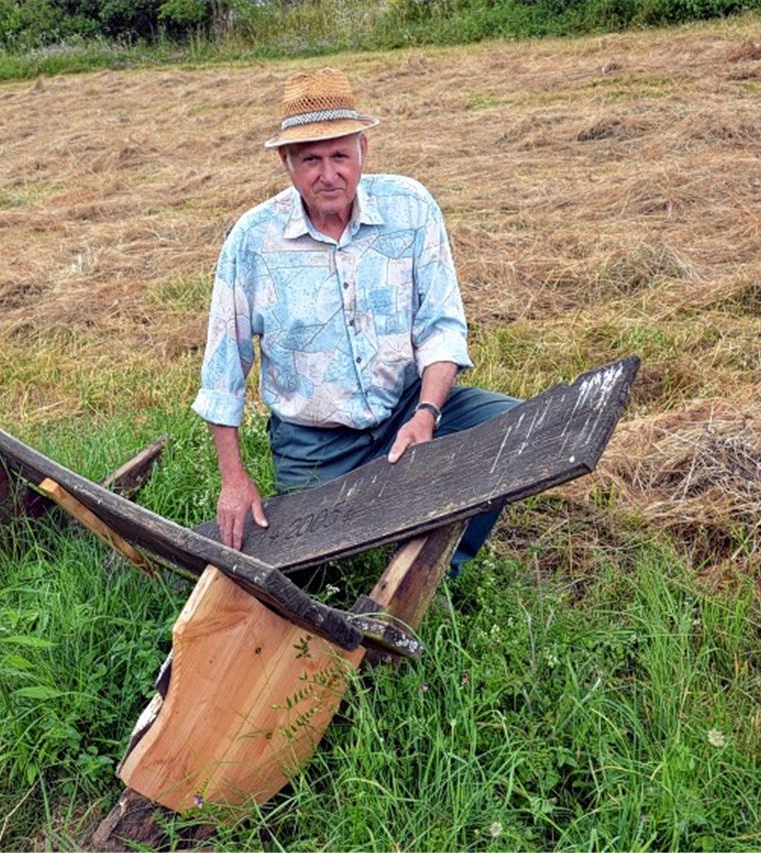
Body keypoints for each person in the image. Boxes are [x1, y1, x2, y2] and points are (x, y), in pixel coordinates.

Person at [191, 67, 517, 574]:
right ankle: (377, 542)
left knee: (514, 428)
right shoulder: (253, 240)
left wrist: (426, 414)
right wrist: (233, 481)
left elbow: (442, 328)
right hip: (314, 442)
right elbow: (222, 370)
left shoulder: (411, 208)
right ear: (287, 162)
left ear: (363, 149)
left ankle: (439, 568)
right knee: (316, 571)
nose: (328, 174)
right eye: (311, 159)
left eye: (340, 155)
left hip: (408, 408)